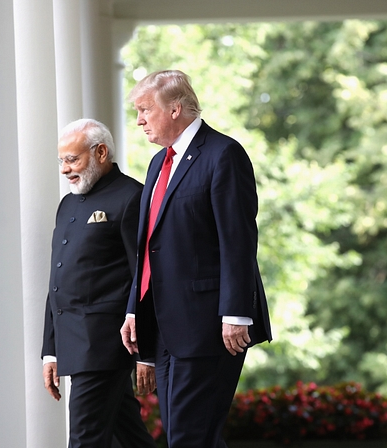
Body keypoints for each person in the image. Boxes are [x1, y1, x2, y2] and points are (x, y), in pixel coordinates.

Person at [120, 70, 272, 448]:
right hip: (167, 327)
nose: (139, 120)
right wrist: (133, 310)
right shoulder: (158, 163)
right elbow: (147, 247)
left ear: (174, 109)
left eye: (144, 110)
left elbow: (237, 240)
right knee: (184, 436)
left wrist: (236, 313)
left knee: (189, 437)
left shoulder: (224, 154)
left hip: (211, 326)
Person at [41, 119, 157, 448]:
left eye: (72, 159)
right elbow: (58, 279)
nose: (65, 169)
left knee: (84, 440)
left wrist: (144, 352)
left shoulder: (132, 197)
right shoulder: (67, 205)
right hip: (74, 344)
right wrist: (51, 350)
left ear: (101, 152)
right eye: (61, 161)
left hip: (105, 345)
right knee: (130, 436)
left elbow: (144, 278)